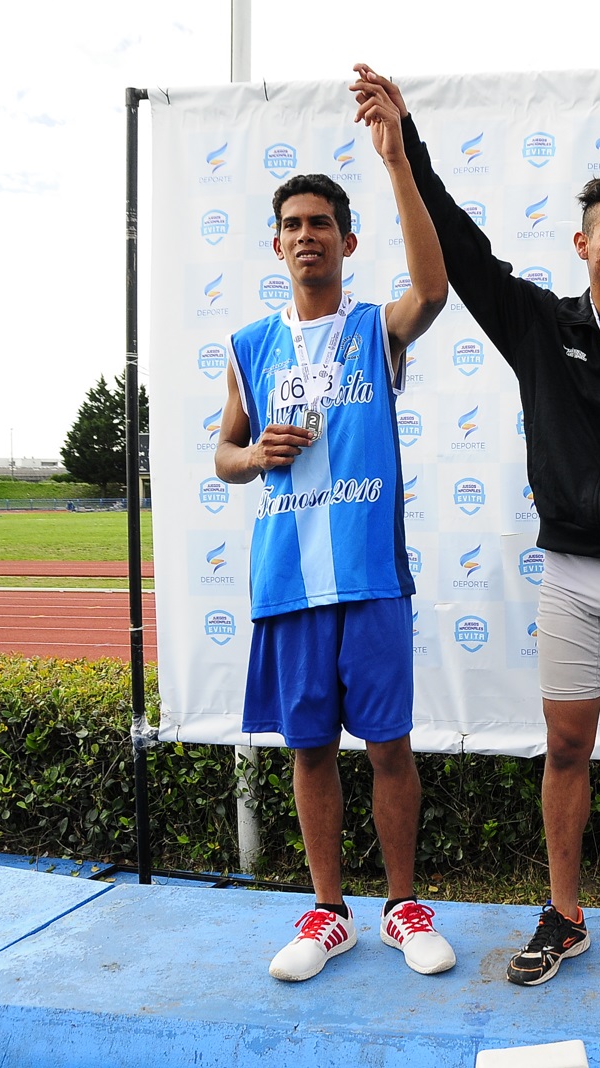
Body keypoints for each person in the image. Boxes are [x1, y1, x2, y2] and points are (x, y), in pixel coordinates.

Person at [351, 27, 600, 993]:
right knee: (567, 746)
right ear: (583, 245)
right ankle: (566, 914)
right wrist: (408, 146)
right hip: (571, 576)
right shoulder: (539, 322)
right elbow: (463, 249)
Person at [214, 79, 455, 984]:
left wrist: (396, 160)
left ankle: (402, 906)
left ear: (348, 242)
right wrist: (255, 456)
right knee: (310, 749)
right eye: (294, 223)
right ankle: (328, 911)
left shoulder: (372, 329)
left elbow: (431, 288)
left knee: (388, 745)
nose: (307, 233)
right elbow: (221, 456)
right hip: (287, 577)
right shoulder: (248, 345)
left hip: (369, 573)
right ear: (277, 243)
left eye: (323, 222)